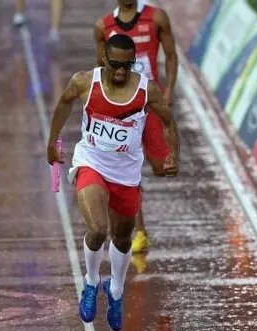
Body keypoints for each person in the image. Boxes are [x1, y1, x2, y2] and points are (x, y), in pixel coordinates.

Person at [46, 34, 179, 331]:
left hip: (126, 174)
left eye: (127, 65)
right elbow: (64, 104)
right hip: (91, 163)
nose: (121, 71)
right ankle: (91, 282)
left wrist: (174, 156)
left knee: (121, 238)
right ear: (104, 59)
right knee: (97, 229)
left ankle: (116, 291)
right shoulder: (84, 82)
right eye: (115, 64)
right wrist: (52, 142)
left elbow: (169, 122)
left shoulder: (147, 91)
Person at [94, 0, 178, 253]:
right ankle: (139, 231)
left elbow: (171, 56)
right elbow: (101, 69)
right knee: (126, 170)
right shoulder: (103, 26)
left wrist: (170, 91)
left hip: (151, 102)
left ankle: (138, 185)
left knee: (162, 167)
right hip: (122, 108)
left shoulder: (157, 18)